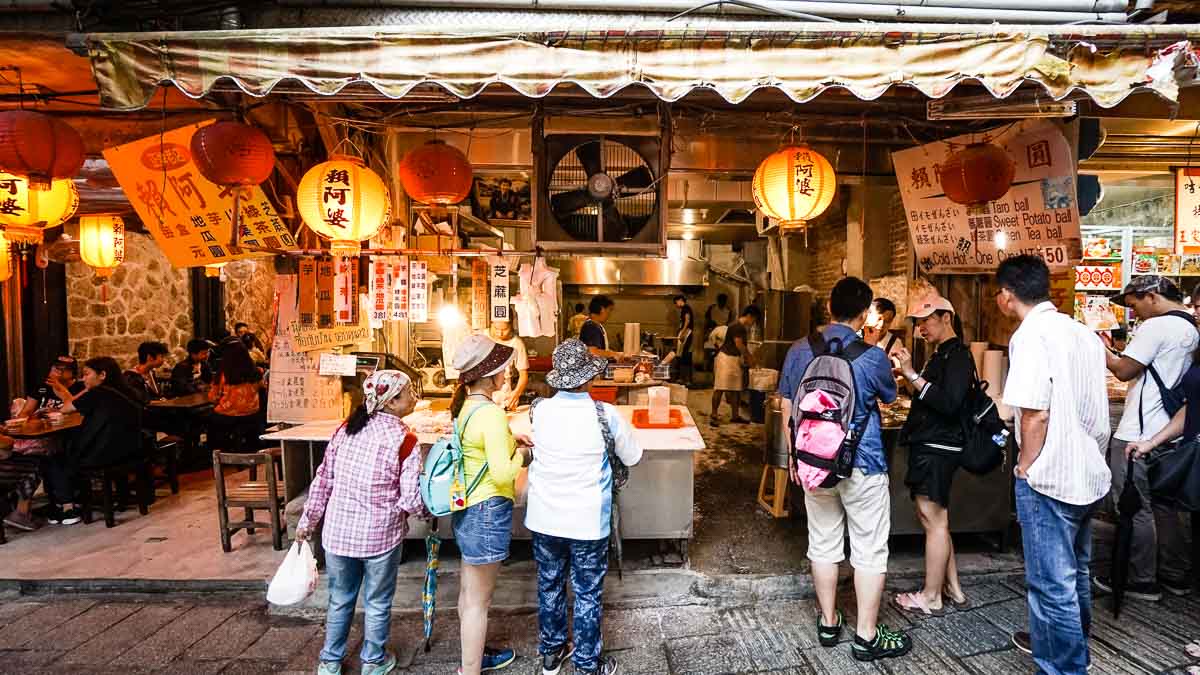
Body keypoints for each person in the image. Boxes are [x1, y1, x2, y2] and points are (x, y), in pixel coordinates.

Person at [777, 277, 908, 662]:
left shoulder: (800, 350)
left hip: (813, 462)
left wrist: (794, 458)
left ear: (829, 306)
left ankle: (830, 622)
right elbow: (888, 396)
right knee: (869, 548)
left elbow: (788, 407)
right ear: (865, 312)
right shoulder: (872, 356)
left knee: (822, 542)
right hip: (863, 461)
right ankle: (866, 636)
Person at [996, 255, 1110, 674]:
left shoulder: (1030, 336)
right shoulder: (1083, 334)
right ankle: (1075, 655)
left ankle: (1063, 668)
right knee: (1075, 573)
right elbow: (1096, 413)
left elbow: (1034, 413)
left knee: (1050, 584)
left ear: (1007, 295)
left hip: (1049, 478)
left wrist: (1026, 465)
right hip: (1089, 473)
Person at [296, 370, 426, 675]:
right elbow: (410, 499)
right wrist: (428, 512)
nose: (414, 398)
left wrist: (307, 521)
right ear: (393, 401)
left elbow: (323, 479)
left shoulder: (345, 430)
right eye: (409, 393)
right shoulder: (405, 440)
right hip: (381, 537)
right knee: (378, 601)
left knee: (340, 599)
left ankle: (329, 663)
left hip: (338, 534)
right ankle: (373, 661)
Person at [526, 339, 643, 675]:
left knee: (549, 583)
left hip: (545, 518)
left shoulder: (538, 410)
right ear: (588, 379)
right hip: (587, 522)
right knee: (587, 591)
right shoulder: (605, 416)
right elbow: (633, 456)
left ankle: (551, 653)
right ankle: (587, 664)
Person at [1095, 275, 1197, 601]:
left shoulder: (1156, 327)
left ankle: (1140, 579)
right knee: (1167, 507)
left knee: (1135, 507)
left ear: (1151, 295)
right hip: (1171, 432)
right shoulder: (1191, 328)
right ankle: (1175, 574)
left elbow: (1123, 370)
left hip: (1136, 433)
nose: (1134, 311)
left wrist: (1100, 350)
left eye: (1134, 303)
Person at [449, 335, 532, 675]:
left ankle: (473, 655)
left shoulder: (467, 408)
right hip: (487, 510)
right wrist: (526, 455)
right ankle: (469, 670)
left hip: (468, 509)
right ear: (492, 375)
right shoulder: (493, 415)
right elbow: (502, 474)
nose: (506, 373)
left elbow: (480, 449)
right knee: (478, 602)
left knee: (469, 593)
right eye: (502, 369)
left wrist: (510, 440)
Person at [891, 294, 974, 617]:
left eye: (927, 320)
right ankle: (952, 588)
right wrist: (908, 376)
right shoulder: (940, 355)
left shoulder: (958, 356)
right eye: (917, 322)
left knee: (933, 521)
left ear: (946, 318)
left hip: (939, 448)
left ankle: (930, 597)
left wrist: (912, 374)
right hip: (931, 444)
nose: (921, 327)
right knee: (938, 520)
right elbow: (931, 396)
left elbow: (949, 403)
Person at [45, 357, 145, 526]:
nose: (83, 379)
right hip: (131, 450)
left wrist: (62, 390)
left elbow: (65, 408)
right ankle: (74, 498)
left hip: (104, 455)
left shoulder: (98, 393)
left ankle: (67, 506)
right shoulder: (127, 391)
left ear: (103, 375)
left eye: (86, 374)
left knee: (54, 458)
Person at [206, 342, 265, 451]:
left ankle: (217, 452)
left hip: (228, 415)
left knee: (210, 419)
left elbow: (213, 397)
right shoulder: (257, 372)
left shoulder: (223, 374)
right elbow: (262, 388)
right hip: (252, 415)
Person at [710, 306, 761, 426]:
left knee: (736, 390)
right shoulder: (738, 327)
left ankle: (735, 415)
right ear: (749, 316)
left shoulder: (738, 326)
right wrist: (750, 358)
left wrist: (747, 358)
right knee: (720, 388)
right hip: (726, 359)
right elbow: (739, 344)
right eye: (754, 320)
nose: (753, 323)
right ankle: (713, 414)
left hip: (733, 359)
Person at [18, 355, 85, 418]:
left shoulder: (81, 388)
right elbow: (26, 412)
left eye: (65, 368)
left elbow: (81, 414)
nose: (58, 370)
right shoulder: (41, 388)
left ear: (73, 373)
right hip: (43, 427)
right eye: (56, 366)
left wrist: (58, 412)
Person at [489, 320, 529, 411]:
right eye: (496, 328)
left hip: (504, 394)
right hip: (483, 394)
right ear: (491, 324)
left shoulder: (516, 343)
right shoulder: (482, 336)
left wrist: (516, 393)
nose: (500, 333)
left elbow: (523, 375)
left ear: (511, 326)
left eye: (505, 329)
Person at [579, 296, 621, 360]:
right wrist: (612, 354)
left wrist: (613, 353)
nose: (610, 314)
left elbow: (600, 349)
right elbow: (592, 352)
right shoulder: (591, 326)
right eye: (609, 310)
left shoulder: (596, 325)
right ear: (602, 309)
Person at [703, 293, 733, 372]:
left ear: (725, 302)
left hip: (722, 333)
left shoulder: (728, 310)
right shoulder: (712, 308)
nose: (722, 303)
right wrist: (705, 333)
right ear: (718, 301)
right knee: (708, 352)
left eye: (723, 301)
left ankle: (717, 369)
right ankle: (706, 370)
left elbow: (729, 322)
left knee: (719, 352)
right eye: (720, 301)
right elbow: (706, 320)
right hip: (712, 331)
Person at [673, 294, 694, 386]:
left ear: (680, 300)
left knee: (685, 355)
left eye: (676, 302)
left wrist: (683, 332)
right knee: (683, 356)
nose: (676, 305)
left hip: (686, 333)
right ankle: (683, 378)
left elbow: (687, 321)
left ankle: (686, 379)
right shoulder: (685, 309)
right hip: (685, 332)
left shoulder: (686, 308)